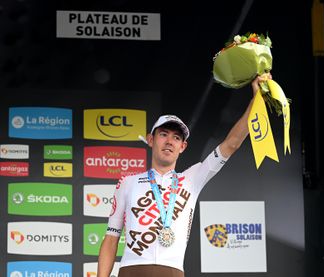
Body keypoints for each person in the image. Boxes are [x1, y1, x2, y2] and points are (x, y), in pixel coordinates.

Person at [97, 73, 271, 277]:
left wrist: (256, 100)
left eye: (176, 137)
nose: (169, 141)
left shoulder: (192, 178)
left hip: (173, 271)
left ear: (183, 146)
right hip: (131, 270)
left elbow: (231, 143)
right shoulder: (128, 182)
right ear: (151, 140)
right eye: (163, 134)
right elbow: (111, 238)